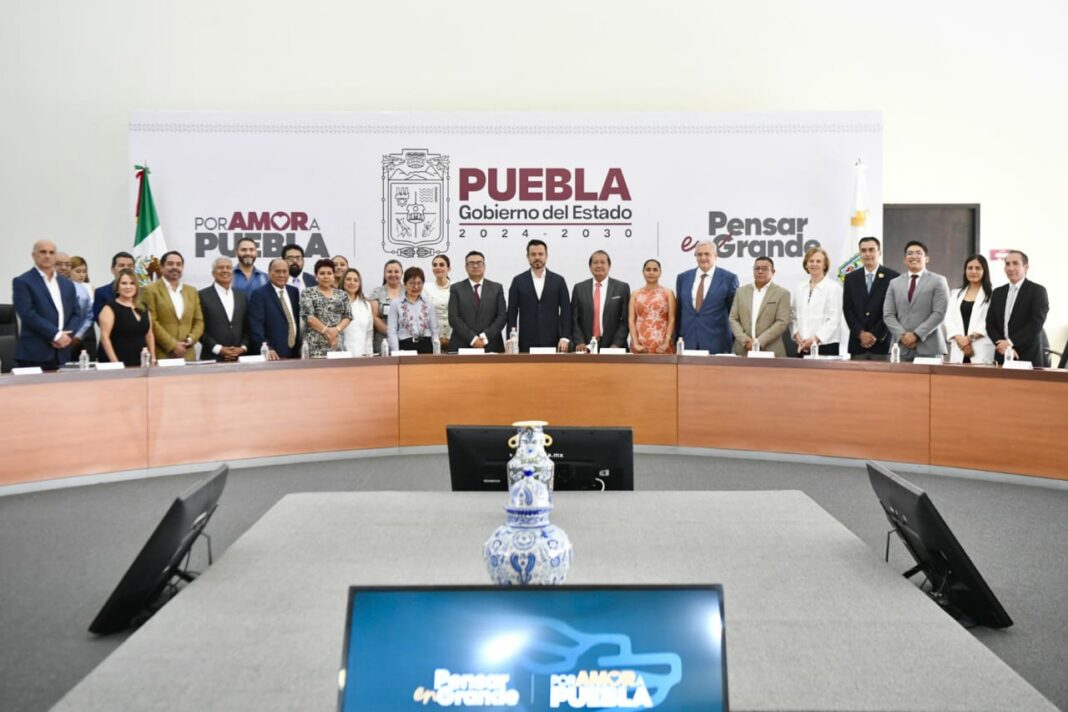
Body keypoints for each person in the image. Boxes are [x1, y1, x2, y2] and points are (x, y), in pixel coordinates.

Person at [12, 240, 79, 370]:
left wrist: (67, 336)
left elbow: (76, 312)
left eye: (51, 252)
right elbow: (27, 314)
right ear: (34, 255)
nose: (47, 256)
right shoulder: (23, 281)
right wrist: (56, 335)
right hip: (34, 354)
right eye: (43, 252)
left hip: (62, 352)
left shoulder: (67, 284)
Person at [883, 240, 951, 361]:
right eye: (910, 253)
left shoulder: (938, 281)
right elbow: (888, 314)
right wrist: (903, 336)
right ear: (905, 260)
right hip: (900, 348)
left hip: (930, 348)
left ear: (927, 259)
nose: (914, 256)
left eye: (919, 253)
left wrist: (916, 335)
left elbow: (939, 313)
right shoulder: (894, 283)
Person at [986, 250, 1050, 367]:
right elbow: (990, 324)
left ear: (1026, 267)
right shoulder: (998, 292)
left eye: (1015, 263)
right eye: (1007, 264)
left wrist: (1010, 343)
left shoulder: (1037, 291)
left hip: (1027, 356)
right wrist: (1002, 345)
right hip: (1002, 354)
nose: (1010, 268)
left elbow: (1035, 324)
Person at [507, 239, 571, 352]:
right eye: (533, 254)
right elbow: (512, 313)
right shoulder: (518, 281)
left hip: (554, 341)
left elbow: (566, 311)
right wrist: (510, 339)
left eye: (541, 254)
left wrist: (565, 337)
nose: (537, 257)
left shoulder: (559, 281)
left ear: (546, 256)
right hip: (525, 342)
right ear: (528, 257)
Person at [141, 250, 205, 361]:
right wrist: (172, 345)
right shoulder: (150, 290)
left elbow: (199, 321)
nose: (175, 267)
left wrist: (190, 340)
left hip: (188, 354)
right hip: (162, 354)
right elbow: (151, 322)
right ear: (161, 267)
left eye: (178, 264)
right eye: (170, 264)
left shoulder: (192, 291)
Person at [676, 239, 738, 353]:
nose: (703, 257)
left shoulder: (729, 279)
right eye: (699, 254)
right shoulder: (683, 278)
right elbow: (679, 311)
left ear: (716, 256)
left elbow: (734, 313)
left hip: (718, 343)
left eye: (707, 254)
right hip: (688, 341)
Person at [842, 236, 900, 358]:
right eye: (863, 250)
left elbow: (893, 310)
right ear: (859, 254)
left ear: (879, 253)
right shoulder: (850, 278)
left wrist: (875, 335)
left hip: (883, 344)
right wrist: (860, 333)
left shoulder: (893, 277)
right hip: (858, 345)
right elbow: (848, 309)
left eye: (871, 250)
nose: (867, 254)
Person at [729, 257, 792, 357]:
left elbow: (782, 322)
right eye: (757, 268)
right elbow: (733, 318)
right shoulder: (740, 292)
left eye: (764, 268)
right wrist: (745, 341)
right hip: (743, 349)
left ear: (773, 271)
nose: (760, 271)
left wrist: (758, 342)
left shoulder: (782, 293)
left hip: (771, 351)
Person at [448, 251, 507, 352]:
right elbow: (453, 318)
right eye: (471, 263)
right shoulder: (456, 289)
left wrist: (485, 337)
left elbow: (502, 317)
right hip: (462, 344)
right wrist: (473, 339)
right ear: (466, 267)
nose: (475, 266)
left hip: (491, 344)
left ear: (484, 266)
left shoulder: (497, 288)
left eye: (479, 263)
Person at [571, 250, 630, 352]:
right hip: (585, 346)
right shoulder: (579, 288)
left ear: (609, 266)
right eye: (595, 262)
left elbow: (626, 320)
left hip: (614, 346)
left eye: (602, 262)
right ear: (590, 267)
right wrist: (579, 341)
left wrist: (616, 344)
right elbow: (574, 319)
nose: (599, 265)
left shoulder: (622, 288)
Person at [791, 246, 844, 356]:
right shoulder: (799, 288)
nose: (814, 264)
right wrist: (798, 337)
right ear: (806, 264)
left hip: (826, 345)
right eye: (811, 261)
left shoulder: (834, 288)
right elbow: (793, 316)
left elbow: (834, 320)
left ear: (825, 265)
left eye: (818, 261)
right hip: (802, 345)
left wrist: (814, 339)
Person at [98, 269, 156, 366]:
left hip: (141, 362)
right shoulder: (109, 308)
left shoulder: (143, 308)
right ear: (117, 286)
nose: (128, 287)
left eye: (132, 283)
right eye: (124, 283)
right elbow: (104, 337)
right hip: (118, 362)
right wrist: (115, 363)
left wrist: (153, 358)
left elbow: (149, 335)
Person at [944, 254, 994, 364]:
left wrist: (969, 339)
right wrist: (960, 341)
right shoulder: (955, 293)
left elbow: (990, 322)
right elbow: (949, 319)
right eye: (970, 268)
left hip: (981, 347)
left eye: (978, 268)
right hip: (959, 347)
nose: (973, 271)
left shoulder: (993, 294)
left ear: (984, 271)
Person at [249, 258, 302, 360]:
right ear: (269, 273)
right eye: (277, 271)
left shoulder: (294, 292)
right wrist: (267, 347)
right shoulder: (259, 294)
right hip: (273, 355)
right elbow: (256, 326)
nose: (281, 275)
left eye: (284, 271)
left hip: (294, 353)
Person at [199, 257, 250, 362]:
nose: (225, 270)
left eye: (228, 268)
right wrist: (218, 349)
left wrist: (243, 348)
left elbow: (247, 326)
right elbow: (198, 328)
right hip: (212, 358)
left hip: (239, 358)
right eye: (220, 268)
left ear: (232, 272)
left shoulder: (241, 296)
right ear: (213, 273)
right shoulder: (201, 296)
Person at [300, 258, 352, 357]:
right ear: (316, 276)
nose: (326, 276)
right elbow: (308, 317)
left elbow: (348, 316)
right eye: (322, 273)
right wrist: (327, 331)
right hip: (314, 346)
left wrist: (336, 330)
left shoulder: (342, 294)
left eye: (329, 273)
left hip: (336, 344)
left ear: (333, 275)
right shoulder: (308, 292)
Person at [628, 259, 676, 354]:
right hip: (640, 344)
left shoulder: (668, 293)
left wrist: (666, 342)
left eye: (655, 270)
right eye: (648, 269)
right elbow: (631, 320)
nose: (651, 272)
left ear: (660, 272)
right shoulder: (635, 293)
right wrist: (635, 343)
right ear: (643, 272)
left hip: (662, 345)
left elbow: (672, 319)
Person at [387, 266, 438, 354]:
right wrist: (396, 352)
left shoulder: (428, 303)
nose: (416, 286)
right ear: (405, 284)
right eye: (411, 283)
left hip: (426, 345)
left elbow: (434, 330)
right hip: (405, 345)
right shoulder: (396, 304)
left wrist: (436, 350)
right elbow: (392, 331)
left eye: (419, 283)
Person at [65, 254, 96, 360]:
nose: (82, 275)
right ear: (69, 271)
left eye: (84, 271)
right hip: (69, 331)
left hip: (88, 332)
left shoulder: (90, 288)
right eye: (78, 271)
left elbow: (91, 313)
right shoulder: (64, 287)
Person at [369, 259, 403, 354]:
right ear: (384, 274)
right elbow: (374, 317)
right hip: (382, 342)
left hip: (404, 341)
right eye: (389, 272)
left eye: (396, 271)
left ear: (402, 273)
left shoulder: (408, 291)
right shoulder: (377, 292)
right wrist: (391, 334)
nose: (393, 274)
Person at [341, 268, 374, 356]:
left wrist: (369, 353)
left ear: (359, 284)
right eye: (348, 279)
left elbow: (369, 333)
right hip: (341, 355)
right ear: (343, 281)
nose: (352, 283)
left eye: (356, 280)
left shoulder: (366, 305)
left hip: (362, 355)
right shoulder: (336, 302)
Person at [93, 251, 135, 320]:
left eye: (130, 266)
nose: (126, 269)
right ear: (112, 269)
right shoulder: (101, 293)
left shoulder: (141, 292)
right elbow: (100, 319)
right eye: (121, 265)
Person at [424, 254, 453, 351]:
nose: (438, 267)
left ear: (449, 268)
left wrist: (449, 338)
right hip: (432, 339)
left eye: (441, 265)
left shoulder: (456, 287)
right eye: (435, 265)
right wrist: (436, 338)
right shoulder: (425, 288)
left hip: (453, 338)